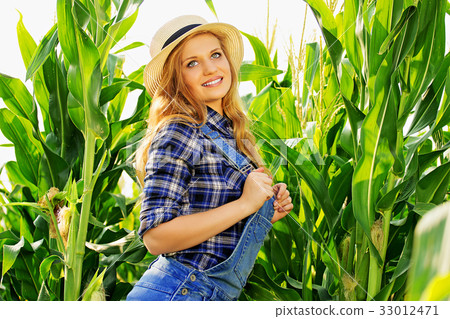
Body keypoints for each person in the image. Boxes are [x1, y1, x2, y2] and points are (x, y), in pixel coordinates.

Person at [126, 15, 293, 301]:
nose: (210, 68)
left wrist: (264, 213)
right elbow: (155, 237)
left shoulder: (229, 133)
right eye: (192, 63)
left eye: (215, 55)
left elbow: (214, 226)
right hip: (178, 292)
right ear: (176, 80)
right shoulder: (178, 129)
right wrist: (245, 204)